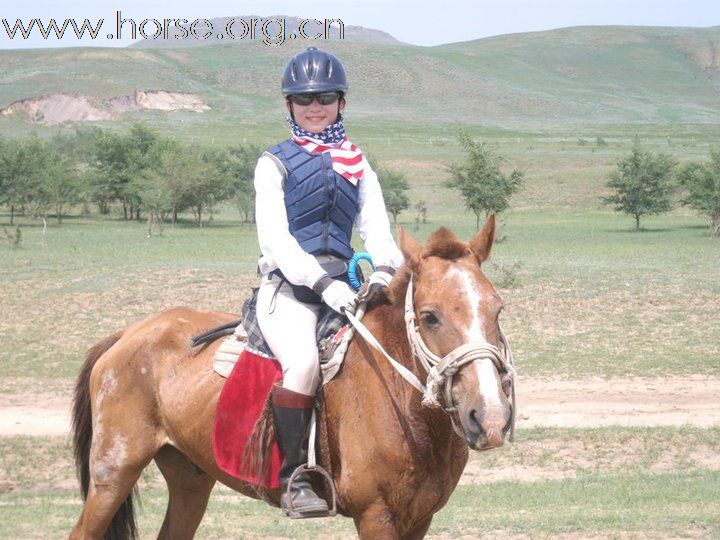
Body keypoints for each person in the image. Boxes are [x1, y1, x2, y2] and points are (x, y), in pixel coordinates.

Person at [253, 46, 403, 517]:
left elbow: (377, 228)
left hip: (347, 288)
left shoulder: (357, 163)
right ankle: (296, 479)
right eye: (304, 99)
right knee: (301, 366)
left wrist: (382, 270)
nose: (315, 107)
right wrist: (321, 284)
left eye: (325, 98)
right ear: (289, 105)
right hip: (289, 291)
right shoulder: (272, 163)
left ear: (341, 102)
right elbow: (276, 240)